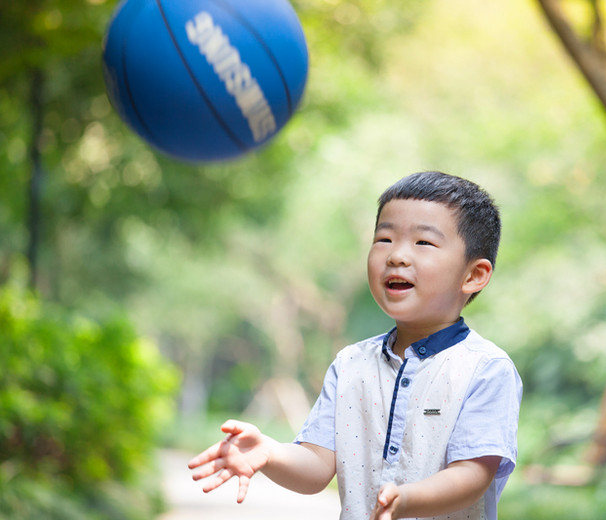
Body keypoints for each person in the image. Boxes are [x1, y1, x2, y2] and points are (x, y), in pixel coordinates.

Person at [188, 171, 523, 520]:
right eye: (384, 239)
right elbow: (317, 466)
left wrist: (407, 500)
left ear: (473, 275)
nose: (396, 256)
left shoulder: (485, 369)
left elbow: (472, 474)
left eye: (423, 243)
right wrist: (269, 452)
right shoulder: (350, 364)